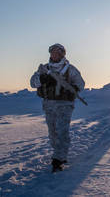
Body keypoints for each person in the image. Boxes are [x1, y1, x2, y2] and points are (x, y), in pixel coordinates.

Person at [30, 43, 85, 173]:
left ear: (62, 54)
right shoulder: (44, 68)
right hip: (49, 104)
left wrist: (73, 89)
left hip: (64, 105)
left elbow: (81, 84)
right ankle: (60, 153)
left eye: (57, 52)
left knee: (62, 131)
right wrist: (43, 79)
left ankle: (58, 159)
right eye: (52, 52)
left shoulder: (70, 69)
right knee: (53, 132)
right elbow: (33, 83)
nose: (54, 54)